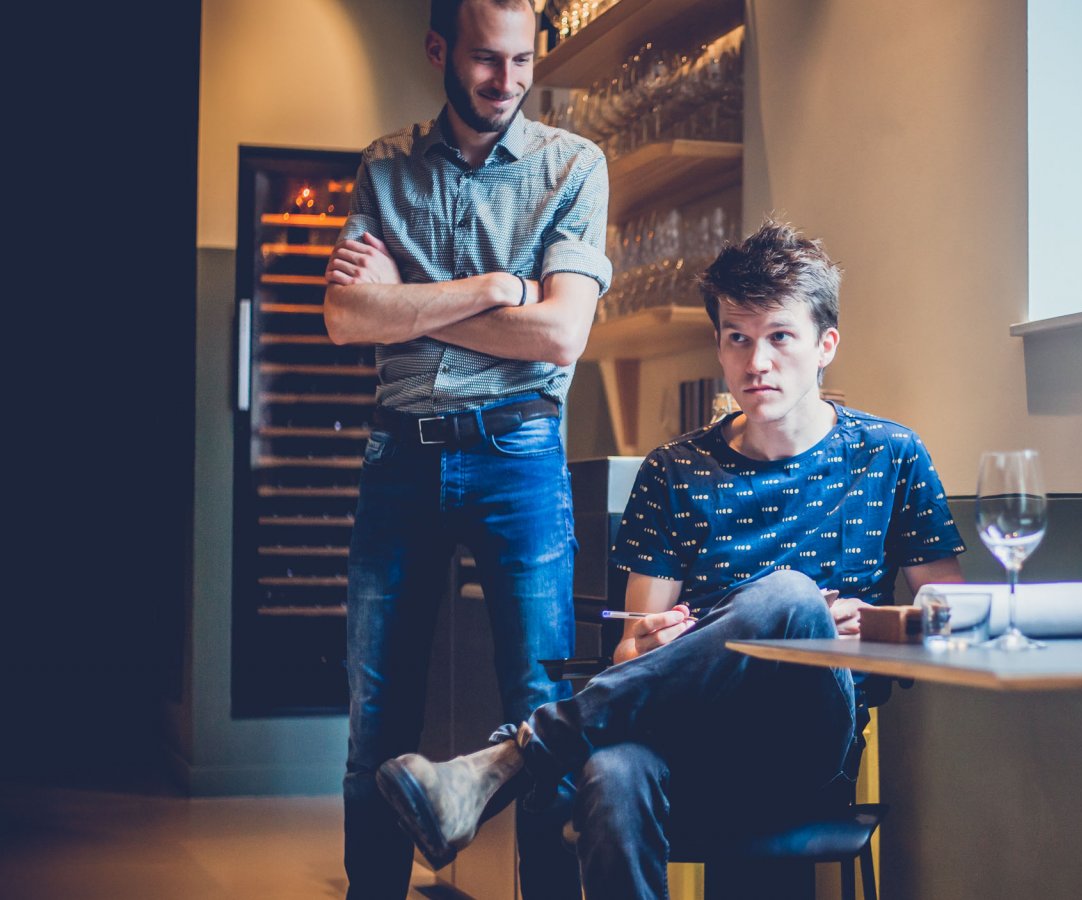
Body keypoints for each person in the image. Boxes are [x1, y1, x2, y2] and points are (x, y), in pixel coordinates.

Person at [375, 222, 967, 899]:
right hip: (692, 732)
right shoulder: (676, 470)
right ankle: (532, 753)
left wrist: (874, 622)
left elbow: (951, 616)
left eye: (780, 336)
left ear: (825, 345)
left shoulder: (890, 456)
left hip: (807, 744)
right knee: (610, 774)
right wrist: (647, 642)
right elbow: (632, 652)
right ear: (717, 345)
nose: (757, 362)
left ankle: (516, 755)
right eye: (737, 338)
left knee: (793, 597)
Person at [321, 1, 610, 897]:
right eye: (489, 61)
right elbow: (344, 318)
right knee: (376, 718)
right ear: (440, 52)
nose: (510, 82)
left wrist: (409, 305)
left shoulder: (574, 165)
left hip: (519, 454)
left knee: (539, 711)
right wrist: (491, 290)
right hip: (398, 457)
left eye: (525, 60)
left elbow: (561, 336)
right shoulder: (385, 167)